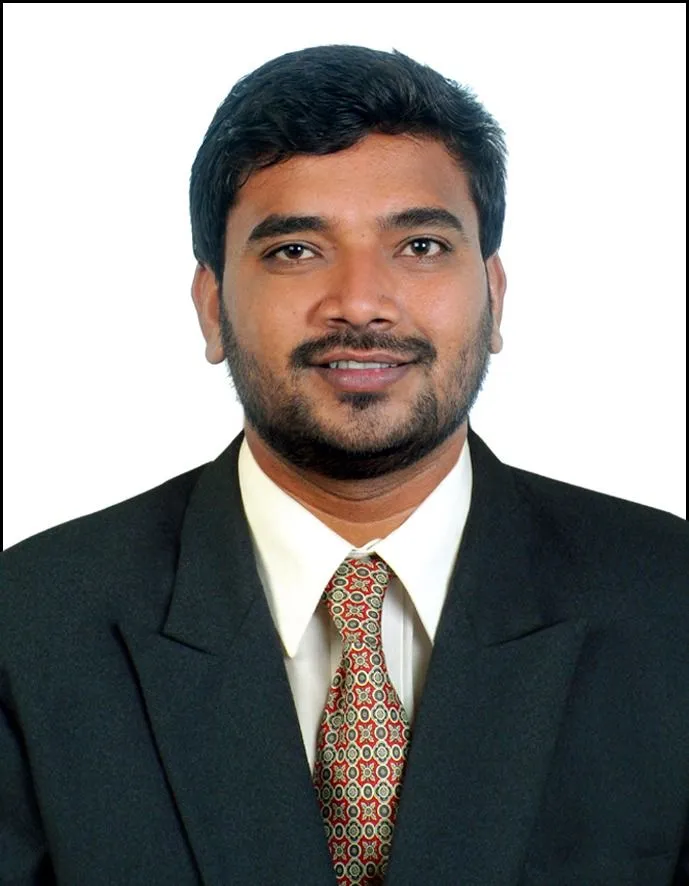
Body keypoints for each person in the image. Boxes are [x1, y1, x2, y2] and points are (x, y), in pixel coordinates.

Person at [1, 43, 687, 886]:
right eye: (294, 250)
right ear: (212, 308)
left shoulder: (671, 601)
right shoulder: (27, 627)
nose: (359, 302)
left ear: (494, 296)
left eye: (422, 246)